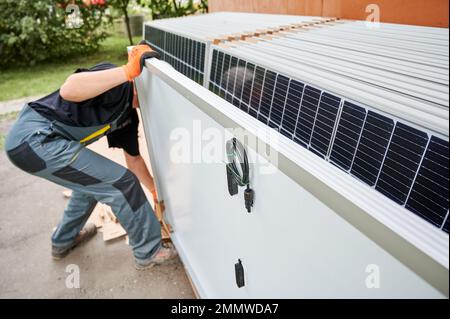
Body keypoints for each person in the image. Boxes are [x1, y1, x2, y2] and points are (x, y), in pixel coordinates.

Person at [5, 42, 177, 270]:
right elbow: (69, 89)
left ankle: (62, 241)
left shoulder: (128, 116)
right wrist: (126, 71)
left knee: (91, 187)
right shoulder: (116, 82)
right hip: (33, 140)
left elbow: (134, 160)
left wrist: (155, 190)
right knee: (121, 184)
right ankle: (149, 251)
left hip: (42, 142)